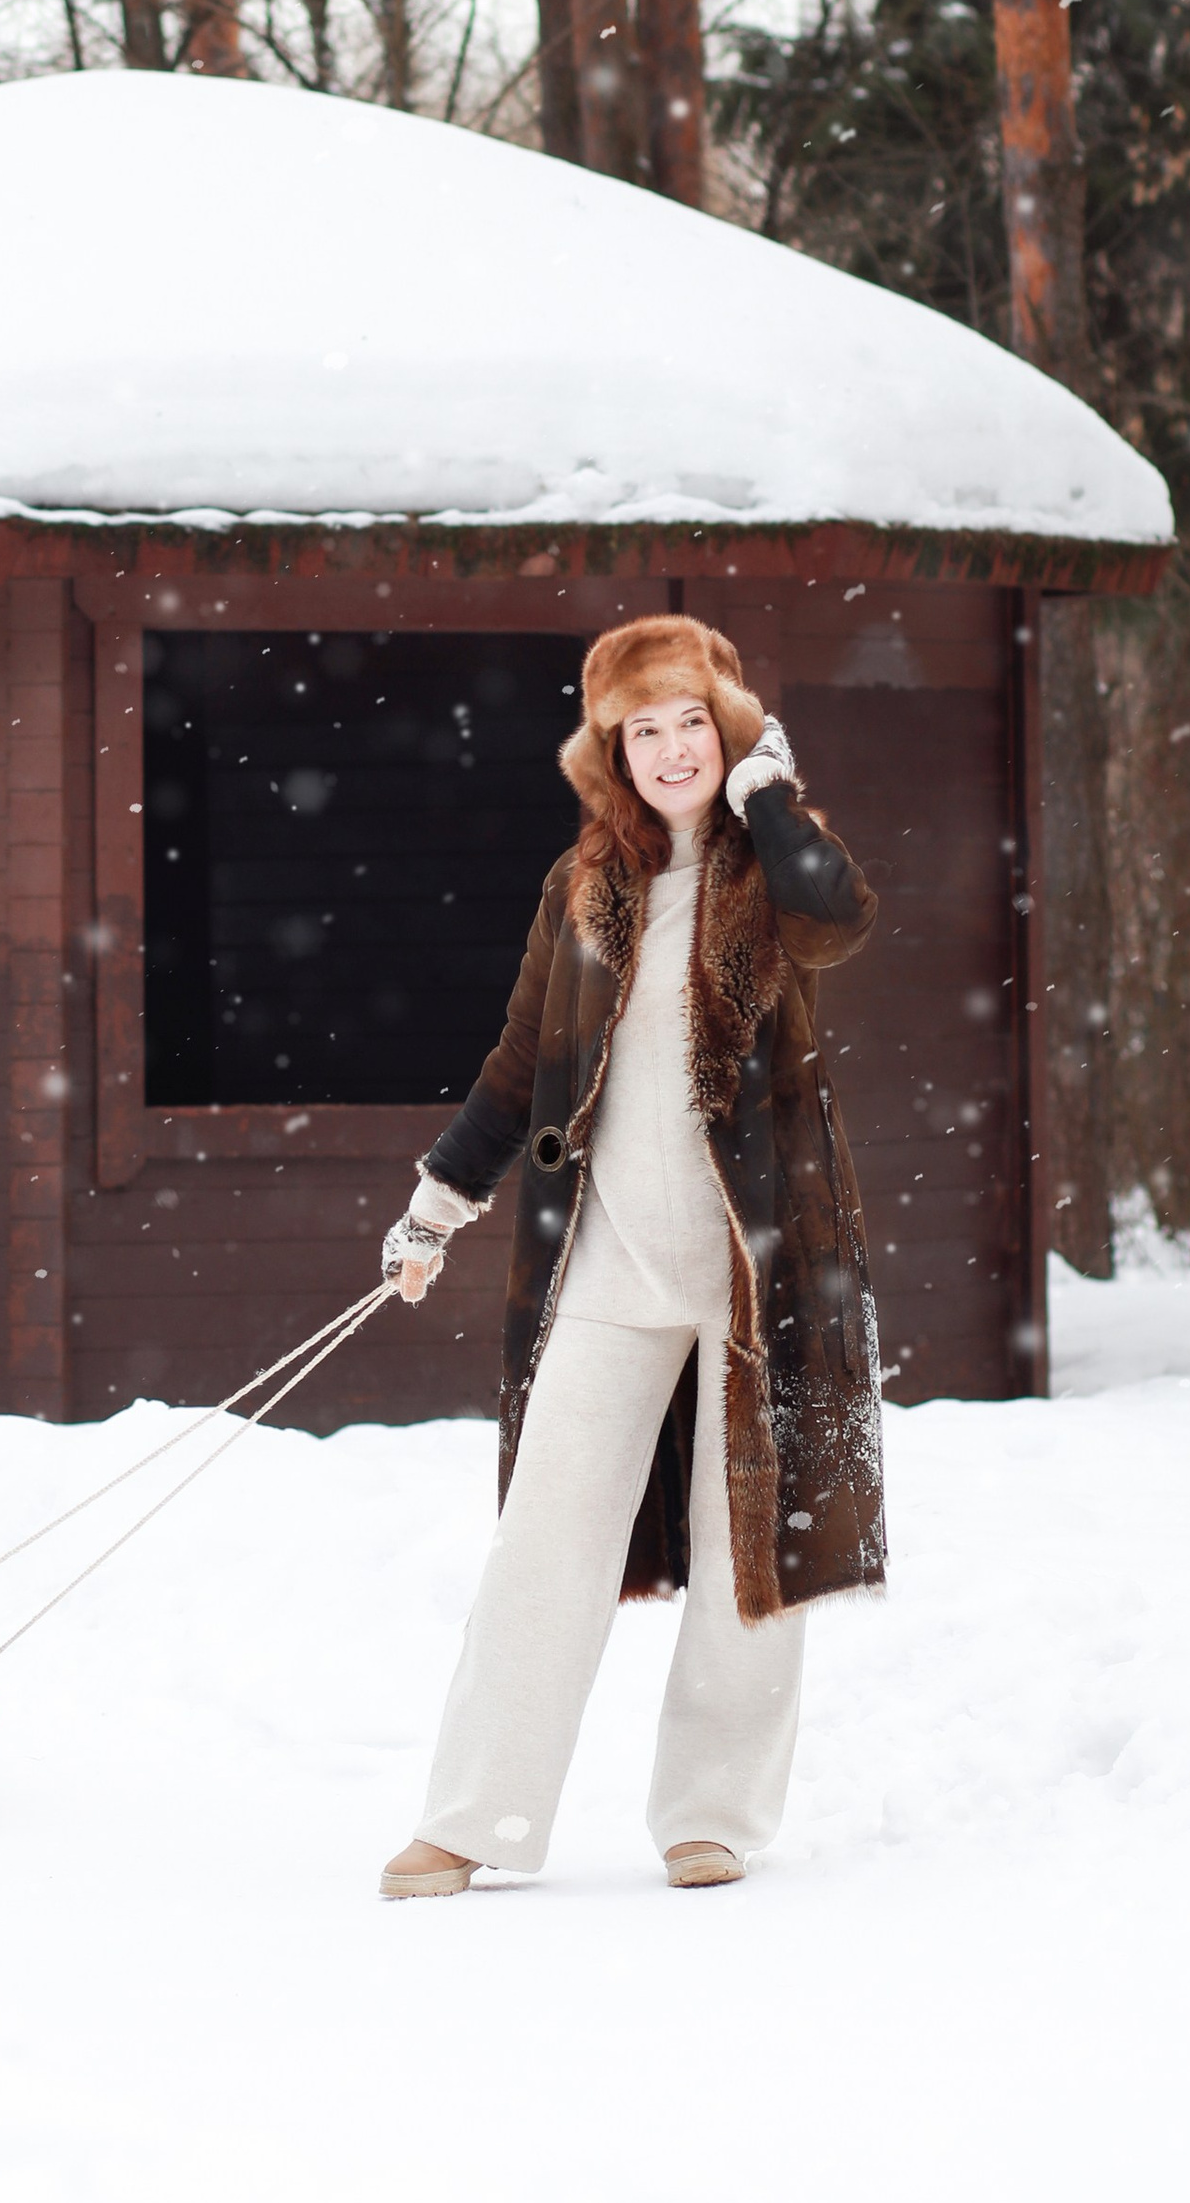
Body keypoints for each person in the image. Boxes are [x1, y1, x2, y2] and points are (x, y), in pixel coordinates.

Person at [377, 615, 885, 1899]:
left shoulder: (775, 865)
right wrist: (437, 1201)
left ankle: (711, 1815)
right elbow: (519, 1063)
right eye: (641, 728)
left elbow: (839, 919)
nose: (669, 749)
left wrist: (772, 800)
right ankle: (475, 1813)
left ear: (730, 729)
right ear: (611, 750)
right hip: (608, 1268)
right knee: (543, 1543)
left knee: (750, 1553)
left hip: (759, 1270)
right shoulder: (582, 886)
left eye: (690, 722)